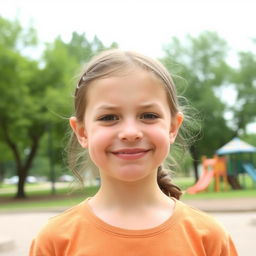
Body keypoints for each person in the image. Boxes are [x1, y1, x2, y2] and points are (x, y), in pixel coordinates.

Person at [29, 49, 238, 256]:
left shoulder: (209, 238)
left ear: (173, 127)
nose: (130, 133)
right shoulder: (54, 241)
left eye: (148, 115)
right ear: (82, 132)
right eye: (109, 117)